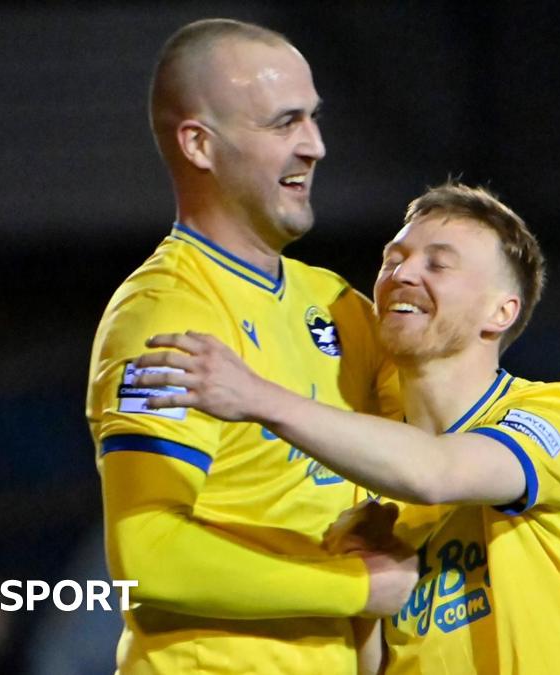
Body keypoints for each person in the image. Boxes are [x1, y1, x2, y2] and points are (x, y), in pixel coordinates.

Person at [136, 182, 560, 673]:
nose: (402, 273)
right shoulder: (365, 462)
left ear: (499, 311)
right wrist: (359, 587)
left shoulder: (547, 411)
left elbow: (440, 471)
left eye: (437, 263)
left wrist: (256, 396)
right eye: (393, 258)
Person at [86, 18, 419, 674]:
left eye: (314, 119)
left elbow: (445, 453)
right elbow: (147, 553)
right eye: (284, 122)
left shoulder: (338, 305)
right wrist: (354, 587)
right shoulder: (166, 314)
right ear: (200, 145)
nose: (316, 145)